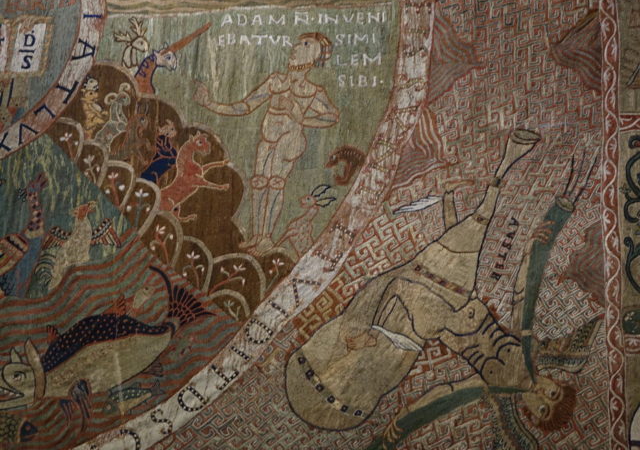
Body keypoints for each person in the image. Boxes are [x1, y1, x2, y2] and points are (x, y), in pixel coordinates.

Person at [285, 129, 598, 447]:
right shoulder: (528, 348)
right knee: (476, 224)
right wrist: (549, 227)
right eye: (553, 392)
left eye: (543, 407)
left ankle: (499, 168)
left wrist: (401, 424)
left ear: (529, 414)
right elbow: (524, 291)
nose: (543, 394)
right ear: (553, 380)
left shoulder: (494, 388)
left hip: (430, 322)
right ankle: (503, 166)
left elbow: (445, 395)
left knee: (382, 329)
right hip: (460, 295)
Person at [194, 33, 340, 255]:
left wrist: (301, 118)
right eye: (299, 42)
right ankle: (257, 235)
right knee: (259, 183)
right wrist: (210, 104)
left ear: (314, 56)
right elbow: (245, 106)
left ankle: (266, 238)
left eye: (305, 44)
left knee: (275, 183)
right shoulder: (275, 82)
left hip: (289, 141)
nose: (296, 46)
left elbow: (332, 116)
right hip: (268, 140)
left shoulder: (312, 92)